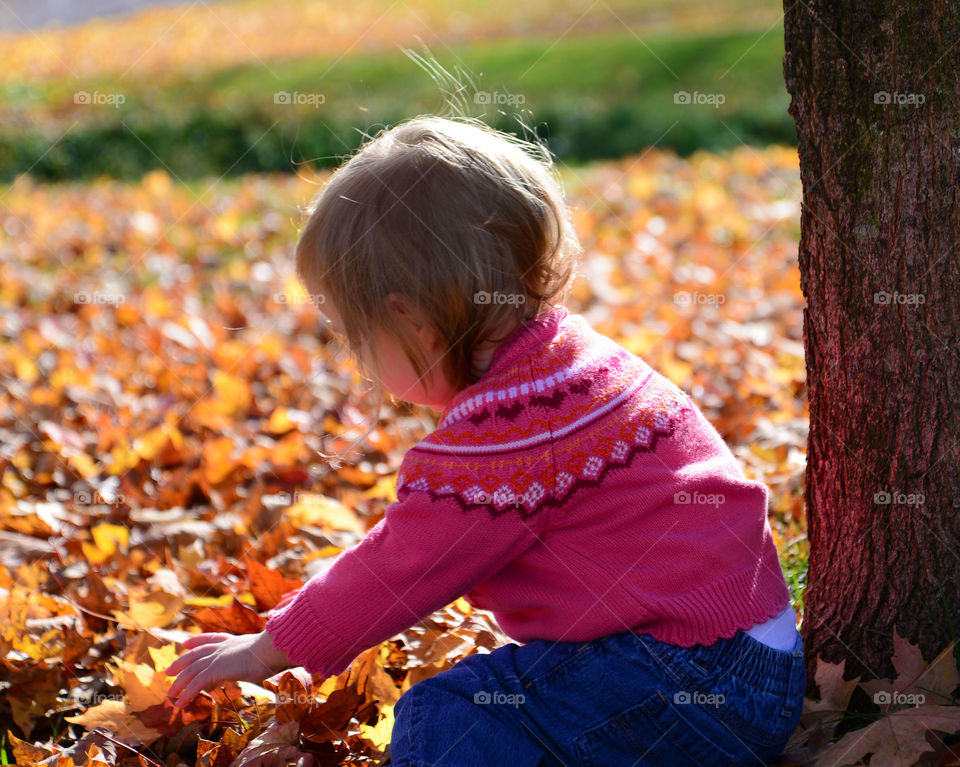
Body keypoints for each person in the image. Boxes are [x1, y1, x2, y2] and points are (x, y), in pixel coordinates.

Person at [165, 115, 805, 766]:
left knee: (450, 714)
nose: (357, 360)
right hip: (759, 664)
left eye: (356, 337)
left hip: (686, 677)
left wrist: (264, 649)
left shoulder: (502, 441)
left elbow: (397, 568)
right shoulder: (577, 361)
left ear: (409, 319)